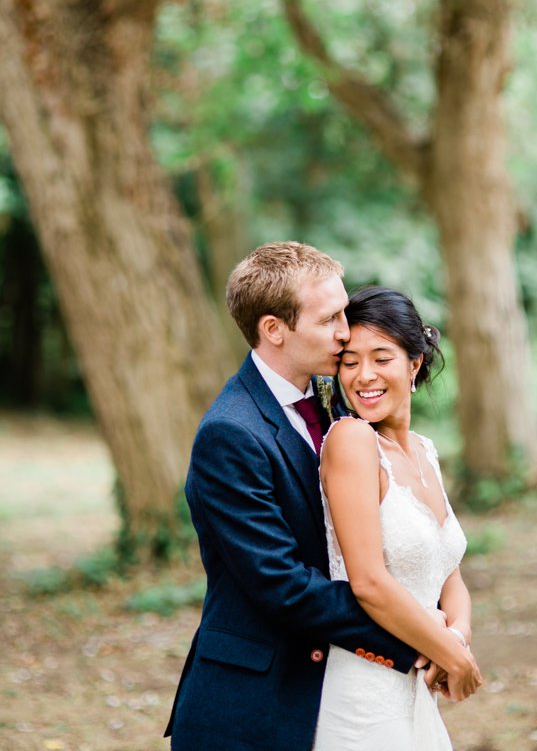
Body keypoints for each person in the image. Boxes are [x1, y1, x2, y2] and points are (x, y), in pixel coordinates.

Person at [164, 242, 480, 750]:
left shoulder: (343, 410)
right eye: (330, 317)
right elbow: (283, 584)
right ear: (274, 329)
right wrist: (424, 640)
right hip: (255, 702)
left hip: (344, 686)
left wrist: (448, 633)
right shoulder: (231, 432)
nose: (343, 329)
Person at [313, 285, 482, 751]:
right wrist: (449, 654)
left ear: (415, 364)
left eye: (381, 358)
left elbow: (449, 574)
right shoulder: (351, 440)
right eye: (349, 362)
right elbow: (367, 581)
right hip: (363, 694)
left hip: (415, 685)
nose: (364, 375)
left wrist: (458, 639)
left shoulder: (425, 452)